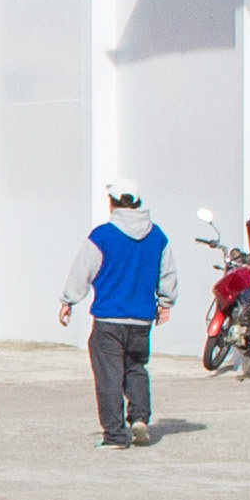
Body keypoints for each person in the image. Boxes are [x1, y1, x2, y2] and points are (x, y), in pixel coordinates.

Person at [55, 183, 175, 450]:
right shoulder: (157, 236)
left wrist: (68, 300)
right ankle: (140, 419)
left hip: (109, 319)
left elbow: (82, 271)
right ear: (138, 202)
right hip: (142, 320)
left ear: (112, 203)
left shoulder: (102, 236)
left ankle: (115, 436)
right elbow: (167, 273)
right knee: (136, 368)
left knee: (109, 376)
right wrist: (165, 303)